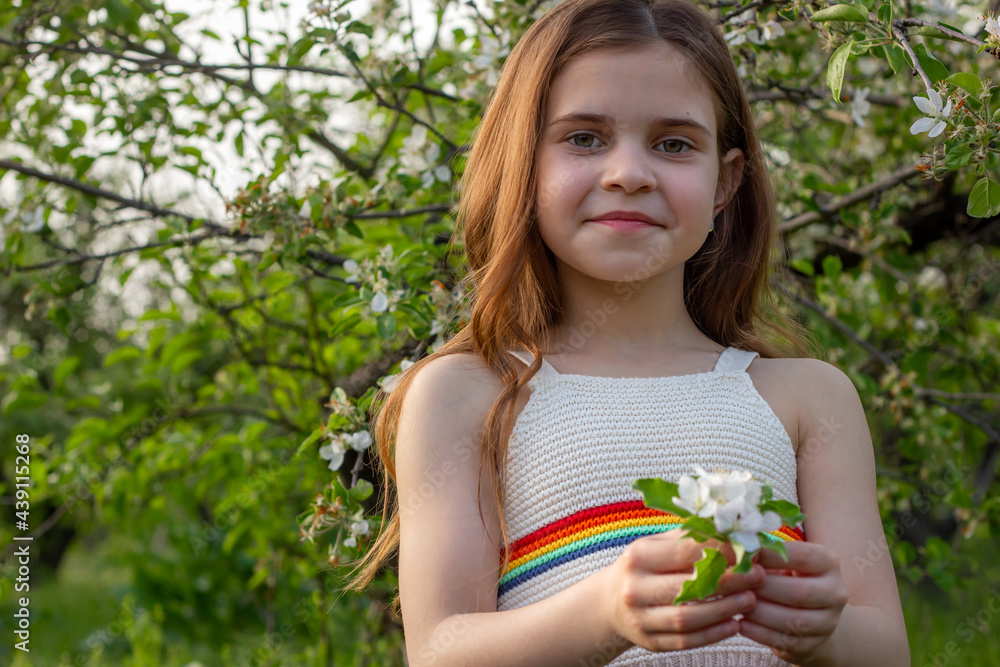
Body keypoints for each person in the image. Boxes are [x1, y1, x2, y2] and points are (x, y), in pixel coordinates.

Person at [343, 0, 909, 665]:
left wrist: (826, 635)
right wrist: (605, 611)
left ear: (725, 181)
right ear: (524, 162)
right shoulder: (468, 393)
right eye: (584, 137)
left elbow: (886, 650)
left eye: (674, 143)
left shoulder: (807, 396)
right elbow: (441, 650)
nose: (629, 173)